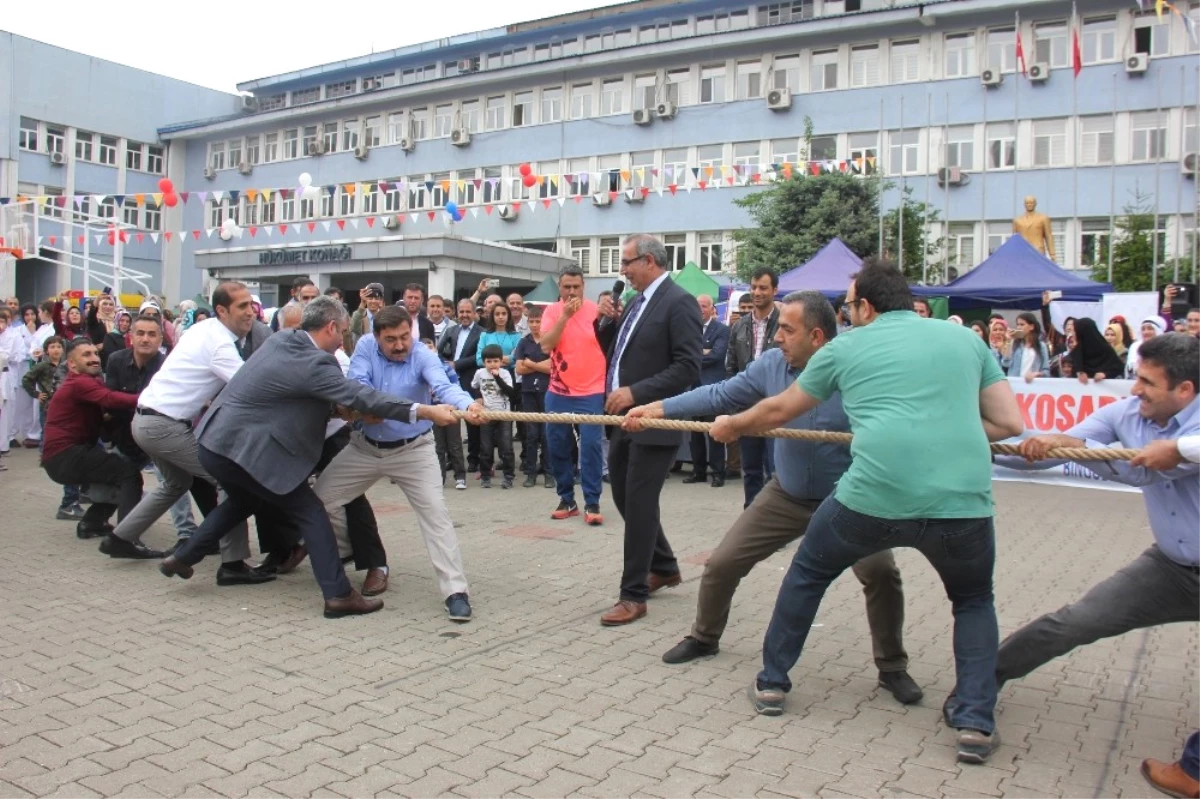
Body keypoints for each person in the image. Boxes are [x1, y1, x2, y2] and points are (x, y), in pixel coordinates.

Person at [706, 260, 1023, 765]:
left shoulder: (846, 347)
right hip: (961, 503)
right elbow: (1008, 422)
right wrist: (943, 429)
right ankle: (975, 724)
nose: (847, 316)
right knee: (972, 601)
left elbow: (778, 410)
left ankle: (772, 684)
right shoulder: (966, 341)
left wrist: (732, 426)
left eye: (850, 306)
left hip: (872, 497)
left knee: (807, 573)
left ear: (867, 307)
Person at [625, 290, 922, 704]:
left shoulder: (857, 369)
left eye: (786, 328)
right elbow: (719, 395)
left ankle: (892, 667)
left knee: (881, 574)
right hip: (788, 491)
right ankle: (704, 637)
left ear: (817, 336)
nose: (776, 336)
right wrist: (657, 408)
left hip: (849, 498)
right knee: (722, 563)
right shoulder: (771, 366)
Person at [162, 297, 459, 619]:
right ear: (331, 327)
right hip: (251, 452)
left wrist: (343, 412)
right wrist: (425, 411)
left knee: (243, 501)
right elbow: (361, 395)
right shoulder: (317, 362)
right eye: (343, 332)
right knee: (312, 512)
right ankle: (338, 594)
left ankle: (184, 556)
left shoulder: (281, 340)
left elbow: (294, 395)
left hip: (214, 443)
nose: (343, 340)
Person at [992, 334, 1200, 703]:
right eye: (1136, 377)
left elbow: (1146, 472)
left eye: (1148, 382)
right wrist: (987, 445)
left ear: (1184, 390)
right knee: (1075, 621)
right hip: (1171, 569)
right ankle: (980, 685)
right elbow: (1064, 446)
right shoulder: (1127, 412)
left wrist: (1084, 449)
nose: (1136, 389)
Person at [109, 283, 262, 584]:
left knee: (176, 484)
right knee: (227, 479)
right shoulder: (218, 342)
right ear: (221, 310)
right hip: (163, 425)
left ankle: (120, 537)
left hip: (147, 421)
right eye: (242, 306)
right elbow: (251, 385)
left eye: (251, 306)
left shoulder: (202, 332)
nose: (251, 312)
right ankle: (232, 564)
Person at [593, 234, 702, 626]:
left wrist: (636, 392)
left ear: (651, 261)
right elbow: (617, 352)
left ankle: (633, 594)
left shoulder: (679, 302)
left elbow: (688, 367)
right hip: (624, 419)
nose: (622, 270)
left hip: (655, 419)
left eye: (627, 262)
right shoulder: (637, 301)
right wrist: (604, 320)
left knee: (639, 504)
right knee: (625, 499)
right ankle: (666, 565)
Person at [40, 339, 144, 537]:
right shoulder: (79, 382)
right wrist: (153, 397)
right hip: (65, 455)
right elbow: (110, 399)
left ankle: (92, 524)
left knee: (113, 476)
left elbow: (104, 414)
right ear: (71, 364)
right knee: (128, 475)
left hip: (63, 457)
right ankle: (125, 538)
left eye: (95, 354)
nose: (94, 358)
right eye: (86, 355)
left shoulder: (90, 382)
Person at [97, 315, 177, 558]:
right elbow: (111, 402)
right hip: (125, 433)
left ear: (161, 340)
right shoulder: (115, 360)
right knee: (126, 478)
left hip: (159, 435)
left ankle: (186, 533)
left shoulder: (167, 365)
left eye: (152, 334)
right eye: (140, 333)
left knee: (176, 482)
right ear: (130, 336)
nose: (145, 339)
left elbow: (164, 405)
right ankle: (119, 534)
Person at [539, 264, 607, 524]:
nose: (571, 292)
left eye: (576, 287)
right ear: (560, 287)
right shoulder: (552, 311)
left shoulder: (596, 312)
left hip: (592, 391)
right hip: (558, 391)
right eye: (566, 287)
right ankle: (567, 499)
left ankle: (592, 502)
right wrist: (564, 317)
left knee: (590, 447)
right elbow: (546, 345)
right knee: (557, 446)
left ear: (583, 287)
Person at [726, 267, 780, 508]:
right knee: (751, 470)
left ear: (774, 290)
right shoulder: (739, 326)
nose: (757, 293)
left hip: (777, 407)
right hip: (747, 407)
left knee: (776, 471)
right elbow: (731, 366)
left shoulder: (784, 324)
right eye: (754, 287)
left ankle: (776, 522)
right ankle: (751, 517)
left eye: (763, 288)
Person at [22, 336, 81, 516]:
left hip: (65, 408)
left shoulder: (66, 365)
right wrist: (37, 394)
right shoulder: (42, 366)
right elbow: (26, 379)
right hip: (48, 406)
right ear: (47, 350)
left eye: (58, 347)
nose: (56, 350)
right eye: (52, 347)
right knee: (47, 433)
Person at [685, 294, 730, 488]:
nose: (700, 309)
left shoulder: (722, 330)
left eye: (704, 306)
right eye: (698, 306)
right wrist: (703, 352)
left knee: (715, 432)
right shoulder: (688, 329)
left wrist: (697, 355)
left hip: (713, 387)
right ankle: (698, 471)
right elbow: (683, 354)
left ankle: (718, 473)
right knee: (694, 433)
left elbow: (717, 356)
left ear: (713, 310)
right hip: (693, 386)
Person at [437, 299, 483, 481]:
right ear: (457, 313)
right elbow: (439, 351)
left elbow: (478, 357)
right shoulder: (451, 330)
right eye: (461, 312)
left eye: (467, 312)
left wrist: (456, 364)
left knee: (472, 420)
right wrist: (446, 366)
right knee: (450, 419)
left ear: (473, 313)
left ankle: (473, 458)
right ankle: (452, 459)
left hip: (469, 379)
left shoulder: (481, 333)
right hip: (450, 381)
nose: (464, 315)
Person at [514, 306, 552, 488]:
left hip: (547, 391)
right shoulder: (523, 343)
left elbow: (553, 367)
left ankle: (549, 473)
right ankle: (530, 473)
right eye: (532, 321)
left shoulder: (550, 341)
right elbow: (519, 369)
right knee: (531, 434)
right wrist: (539, 365)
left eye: (538, 321)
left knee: (546, 434)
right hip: (528, 392)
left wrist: (531, 363)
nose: (535, 325)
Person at [472, 344, 519, 489]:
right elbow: (474, 387)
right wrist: (478, 397)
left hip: (504, 414)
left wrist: (498, 378)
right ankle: (485, 475)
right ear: (484, 362)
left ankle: (508, 476)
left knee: (506, 447)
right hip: (486, 414)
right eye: (489, 361)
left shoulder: (505, 374)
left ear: (501, 361)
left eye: (495, 361)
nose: (492, 364)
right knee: (486, 447)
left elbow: (511, 393)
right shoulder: (479, 373)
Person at [424, 338, 466, 487]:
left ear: (435, 349)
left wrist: (457, 405)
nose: (429, 350)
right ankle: (439, 478)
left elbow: (455, 386)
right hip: (432, 412)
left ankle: (460, 476)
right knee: (438, 446)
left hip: (451, 409)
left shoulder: (446, 367)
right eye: (425, 348)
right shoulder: (420, 370)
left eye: (431, 347)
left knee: (454, 444)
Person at [1070, 317, 1125, 383]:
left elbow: (1118, 368)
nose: (1072, 334)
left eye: (1075, 331)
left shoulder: (1105, 350)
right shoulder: (1077, 352)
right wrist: (1079, 372)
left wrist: (1105, 374)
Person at [1001, 312, 1050, 383]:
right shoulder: (1015, 344)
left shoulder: (1041, 346)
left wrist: (1036, 374)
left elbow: (1046, 371)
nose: (1018, 327)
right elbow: (1006, 363)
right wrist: (1009, 341)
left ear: (1031, 327)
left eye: (1022, 325)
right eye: (1017, 324)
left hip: (1033, 386)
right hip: (1015, 384)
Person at [349, 283, 386, 350]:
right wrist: (362, 303)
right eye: (370, 298)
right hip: (363, 352)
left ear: (381, 300)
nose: (373, 301)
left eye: (376, 298)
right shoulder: (359, 315)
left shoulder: (385, 316)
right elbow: (354, 327)